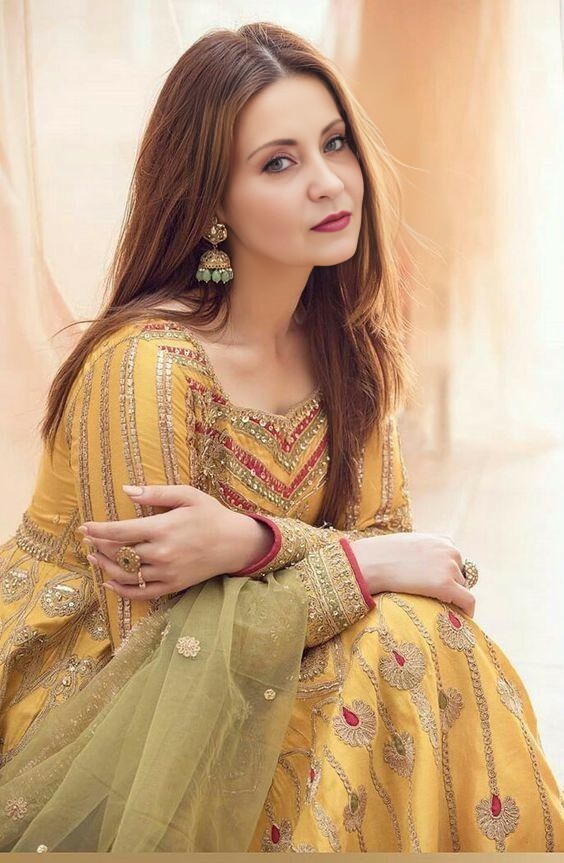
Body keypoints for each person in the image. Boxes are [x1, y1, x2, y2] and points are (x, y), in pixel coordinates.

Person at [0, 21, 561, 853]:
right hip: (101, 723)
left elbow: (391, 562)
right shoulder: (146, 366)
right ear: (209, 204)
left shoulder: (347, 349)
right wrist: (351, 563)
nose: (330, 183)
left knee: (414, 632)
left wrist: (248, 542)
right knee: (402, 642)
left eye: (335, 144)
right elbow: (155, 664)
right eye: (279, 162)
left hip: (262, 675)